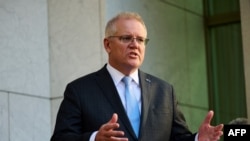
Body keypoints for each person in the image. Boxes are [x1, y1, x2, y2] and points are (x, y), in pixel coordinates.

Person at [50, 11, 224, 141]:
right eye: (126, 38)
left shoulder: (164, 91)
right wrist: (94, 138)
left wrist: (197, 139)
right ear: (108, 44)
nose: (135, 45)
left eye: (140, 40)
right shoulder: (80, 90)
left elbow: (178, 138)